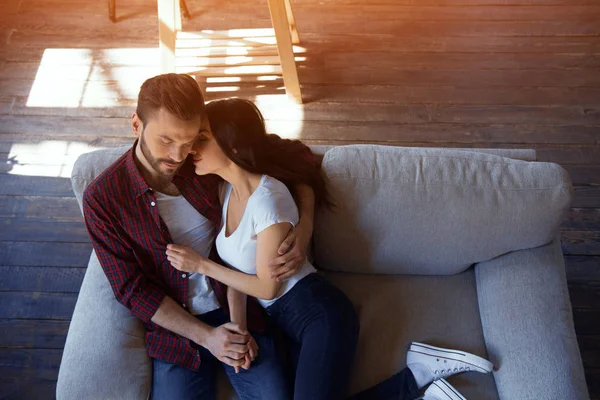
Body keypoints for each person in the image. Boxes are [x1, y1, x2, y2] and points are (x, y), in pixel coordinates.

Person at [166, 98, 494, 400]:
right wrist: (239, 327)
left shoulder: (267, 199)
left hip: (318, 314)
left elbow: (268, 285)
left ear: (232, 142)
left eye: (203, 138)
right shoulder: (225, 192)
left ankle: (418, 376)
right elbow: (237, 273)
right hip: (283, 323)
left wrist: (201, 266)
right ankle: (421, 374)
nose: (193, 147)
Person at [82, 74, 315, 400]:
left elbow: (299, 157)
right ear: (136, 124)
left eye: (189, 140)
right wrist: (207, 337)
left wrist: (304, 228)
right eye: (166, 140)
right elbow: (131, 290)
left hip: (238, 308)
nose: (179, 155)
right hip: (178, 333)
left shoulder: (206, 158)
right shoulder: (104, 198)